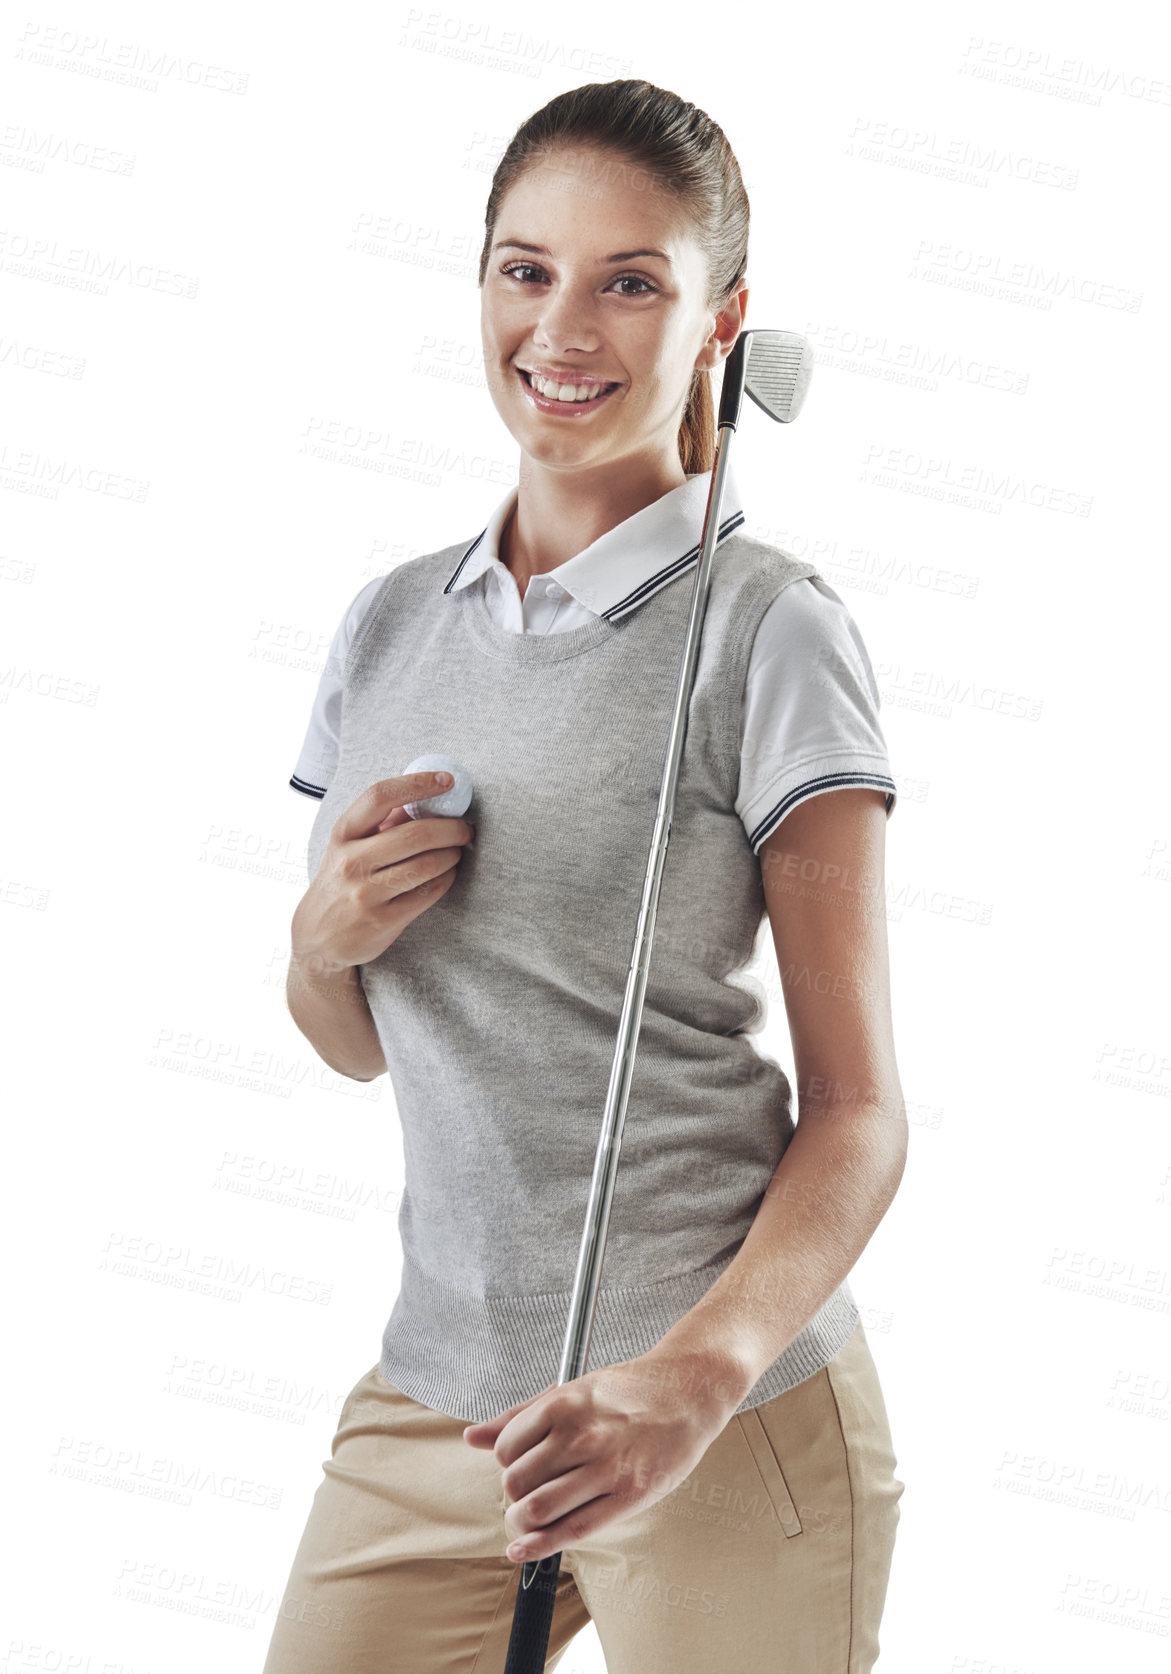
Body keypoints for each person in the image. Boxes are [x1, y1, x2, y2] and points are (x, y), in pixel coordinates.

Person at [266, 77, 906, 1674]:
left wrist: (691, 1379)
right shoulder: (392, 620)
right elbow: (355, 1036)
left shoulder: (771, 628)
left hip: (721, 1413)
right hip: (437, 1410)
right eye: (524, 267)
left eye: (631, 279)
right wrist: (319, 936)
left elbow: (857, 1111)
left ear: (721, 320)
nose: (563, 325)